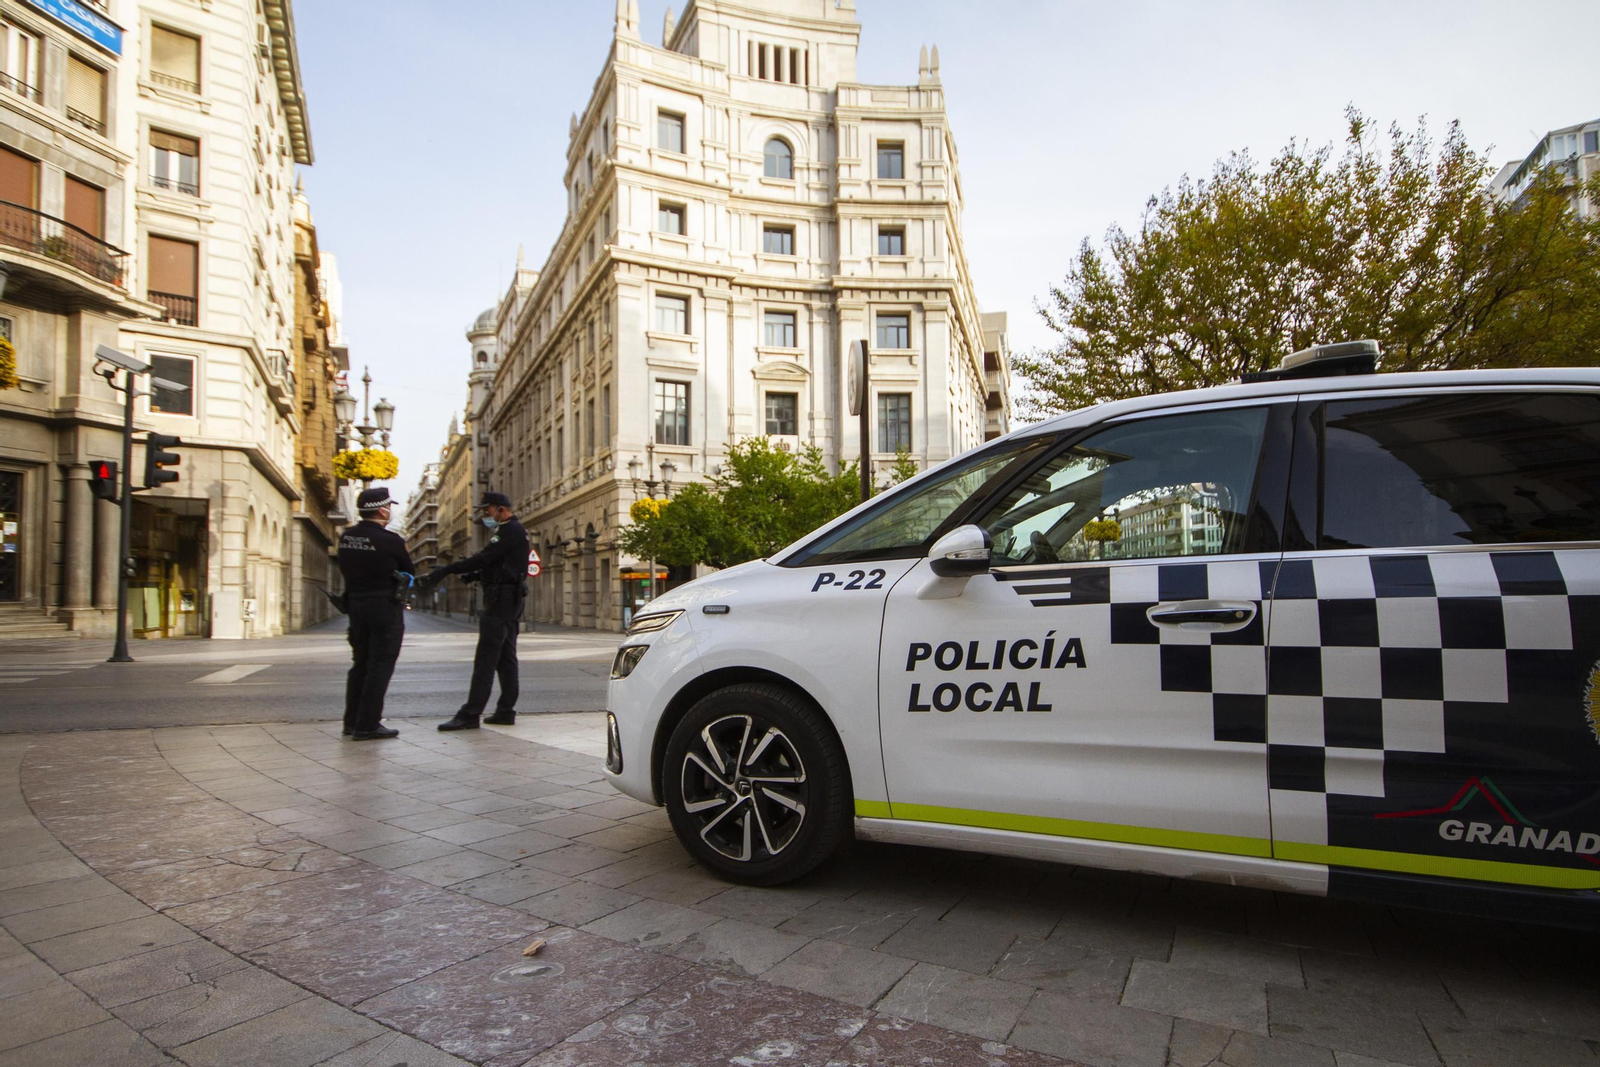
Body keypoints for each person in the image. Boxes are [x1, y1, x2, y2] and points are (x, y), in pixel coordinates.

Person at [422, 491, 529, 730]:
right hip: (509, 599)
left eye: (487, 510)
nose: (484, 515)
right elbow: (500, 564)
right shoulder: (513, 530)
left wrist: (448, 569)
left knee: (486, 659)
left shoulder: (509, 530)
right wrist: (475, 575)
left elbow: (484, 558)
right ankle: (505, 711)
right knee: (505, 657)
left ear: (501, 509)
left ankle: (470, 713)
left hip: (501, 601)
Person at [335, 487, 413, 741]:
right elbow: (409, 573)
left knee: (360, 665)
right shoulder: (391, 540)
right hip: (384, 609)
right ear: (382, 510)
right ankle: (368, 724)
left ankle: (352, 721)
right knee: (380, 666)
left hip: (356, 607)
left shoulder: (346, 538)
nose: (390, 511)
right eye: (389, 507)